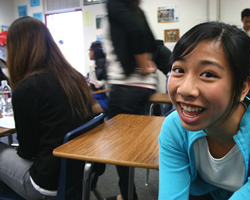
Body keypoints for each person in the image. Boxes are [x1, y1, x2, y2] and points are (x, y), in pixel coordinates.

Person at [158, 21, 250, 200]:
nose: (185, 89)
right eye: (179, 69)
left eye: (208, 74)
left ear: (242, 88)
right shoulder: (175, 127)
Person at [0, 16, 97, 200]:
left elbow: (27, 151)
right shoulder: (74, 77)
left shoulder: (27, 88)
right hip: (82, 174)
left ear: (15, 49)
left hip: (47, 184)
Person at [103, 0, 158, 199]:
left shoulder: (115, 6)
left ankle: (127, 197)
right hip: (144, 89)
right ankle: (127, 195)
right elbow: (152, 41)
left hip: (125, 89)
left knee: (121, 152)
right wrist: (147, 66)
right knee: (135, 148)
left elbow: (137, 34)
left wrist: (143, 66)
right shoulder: (137, 11)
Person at [88, 40, 108, 114]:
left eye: (89, 50)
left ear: (94, 51)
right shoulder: (99, 65)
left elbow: (94, 84)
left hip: (103, 99)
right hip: (95, 98)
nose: (89, 53)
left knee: (81, 110)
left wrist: (91, 68)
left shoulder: (100, 66)